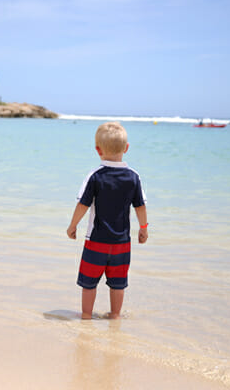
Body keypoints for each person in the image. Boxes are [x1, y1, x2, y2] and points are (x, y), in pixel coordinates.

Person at [67, 121, 148, 320]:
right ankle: (115, 315)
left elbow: (83, 205)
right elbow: (140, 206)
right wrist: (144, 228)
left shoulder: (95, 176)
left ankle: (86, 315)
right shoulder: (133, 177)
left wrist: (73, 225)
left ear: (98, 150)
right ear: (126, 148)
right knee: (118, 283)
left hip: (96, 242)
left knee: (89, 283)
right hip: (122, 244)